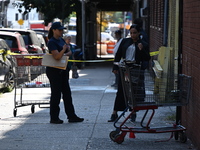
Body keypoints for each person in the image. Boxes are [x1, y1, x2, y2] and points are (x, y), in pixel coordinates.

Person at [108, 24, 150, 122]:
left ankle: (133, 113)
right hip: (125, 68)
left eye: (134, 33)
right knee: (121, 90)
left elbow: (147, 58)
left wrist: (142, 49)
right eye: (131, 33)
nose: (132, 35)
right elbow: (118, 54)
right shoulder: (125, 41)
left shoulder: (143, 44)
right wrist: (115, 67)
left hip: (135, 69)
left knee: (134, 91)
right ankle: (114, 113)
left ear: (138, 33)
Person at [46, 22, 84, 124]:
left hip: (63, 70)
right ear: (54, 30)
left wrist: (64, 53)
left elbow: (69, 52)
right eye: (59, 30)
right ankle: (54, 117)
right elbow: (57, 57)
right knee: (56, 94)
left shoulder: (61, 40)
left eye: (62, 30)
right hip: (54, 71)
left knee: (67, 94)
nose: (61, 31)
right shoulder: (52, 42)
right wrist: (63, 51)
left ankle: (71, 116)